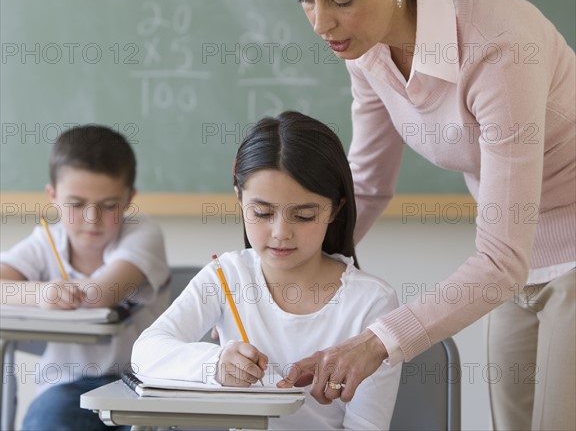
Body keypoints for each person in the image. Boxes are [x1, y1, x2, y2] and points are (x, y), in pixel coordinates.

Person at [276, 0, 576, 429]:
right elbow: (365, 184)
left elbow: (499, 262)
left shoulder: (498, 46)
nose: (321, 24)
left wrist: (379, 341)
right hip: (515, 262)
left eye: (340, 1)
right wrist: (277, 266)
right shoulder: (367, 51)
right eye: (306, 0)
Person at [132, 111, 402, 430]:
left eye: (303, 216)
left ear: (336, 209)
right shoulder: (227, 276)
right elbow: (146, 352)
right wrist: (215, 365)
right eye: (261, 212)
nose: (280, 233)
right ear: (239, 197)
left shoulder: (371, 302)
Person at [0, 125, 170, 431]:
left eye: (108, 206)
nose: (91, 220)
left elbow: (99, 296)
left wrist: (33, 291)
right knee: (46, 421)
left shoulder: (143, 233)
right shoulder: (45, 242)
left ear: (130, 198)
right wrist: (39, 294)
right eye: (76, 205)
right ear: (52, 196)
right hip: (66, 387)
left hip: (141, 386)